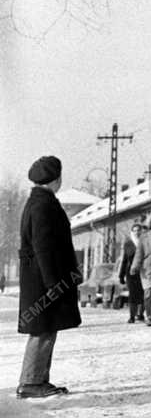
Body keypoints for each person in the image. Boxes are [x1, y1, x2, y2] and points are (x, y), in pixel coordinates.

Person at [17, 156, 81, 399]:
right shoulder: (43, 206)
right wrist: (53, 283)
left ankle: (37, 379)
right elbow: (43, 246)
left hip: (41, 278)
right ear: (55, 179)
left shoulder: (38, 202)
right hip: (45, 279)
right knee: (42, 328)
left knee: (45, 328)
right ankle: (31, 382)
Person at [119, 222, 145, 323]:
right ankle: (132, 316)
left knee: (142, 293)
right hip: (131, 273)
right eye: (135, 230)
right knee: (133, 294)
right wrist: (121, 275)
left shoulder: (145, 242)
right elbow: (124, 260)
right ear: (132, 232)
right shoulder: (128, 244)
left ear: (141, 232)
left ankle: (141, 314)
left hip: (143, 271)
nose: (137, 232)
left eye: (139, 230)